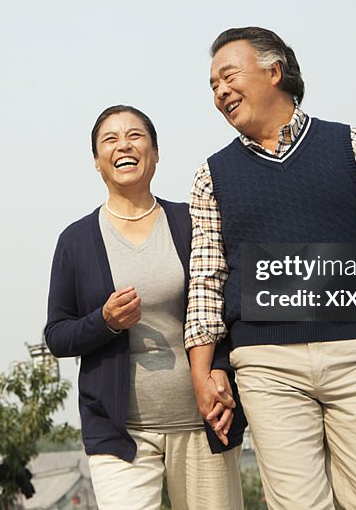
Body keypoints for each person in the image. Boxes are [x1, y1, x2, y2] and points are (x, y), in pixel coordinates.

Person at [184, 28, 356, 510]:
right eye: (212, 85)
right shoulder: (211, 176)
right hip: (265, 365)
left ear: (274, 71)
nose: (219, 92)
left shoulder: (352, 146)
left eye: (228, 76)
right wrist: (202, 372)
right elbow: (206, 281)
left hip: (353, 354)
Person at [45, 104, 245, 510]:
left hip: (203, 421)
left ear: (155, 152)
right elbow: (57, 335)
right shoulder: (76, 240)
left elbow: (227, 308)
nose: (124, 145)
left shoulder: (193, 223)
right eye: (110, 139)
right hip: (120, 434)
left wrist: (221, 368)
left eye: (135, 136)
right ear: (98, 162)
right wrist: (104, 322)